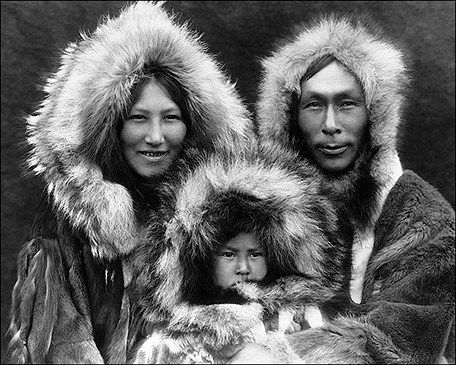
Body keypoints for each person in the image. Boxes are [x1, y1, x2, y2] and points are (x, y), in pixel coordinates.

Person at [7, 2, 255, 363]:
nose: (155, 136)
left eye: (170, 117)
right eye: (138, 118)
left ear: (192, 125)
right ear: (113, 127)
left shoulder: (222, 216)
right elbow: (56, 343)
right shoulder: (71, 220)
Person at [252, 11, 455, 364]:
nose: (330, 125)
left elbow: (401, 341)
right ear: (289, 117)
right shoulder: (258, 211)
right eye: (314, 104)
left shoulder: (427, 219)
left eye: (347, 104)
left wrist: (271, 354)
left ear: (374, 114)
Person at [125, 143, 354, 363]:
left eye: (255, 255)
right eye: (229, 255)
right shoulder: (169, 343)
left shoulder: (301, 320)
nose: (243, 268)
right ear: (203, 261)